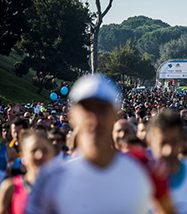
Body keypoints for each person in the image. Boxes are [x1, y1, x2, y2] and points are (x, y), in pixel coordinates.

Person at [25, 74, 154, 214]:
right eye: (87, 110)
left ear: (116, 116)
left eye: (102, 110)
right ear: (72, 116)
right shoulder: (52, 180)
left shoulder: (141, 173)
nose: (94, 119)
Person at [0, 129, 54, 214]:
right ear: (24, 155)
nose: (39, 155)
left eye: (45, 150)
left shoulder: (62, 187)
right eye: (33, 150)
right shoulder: (10, 188)